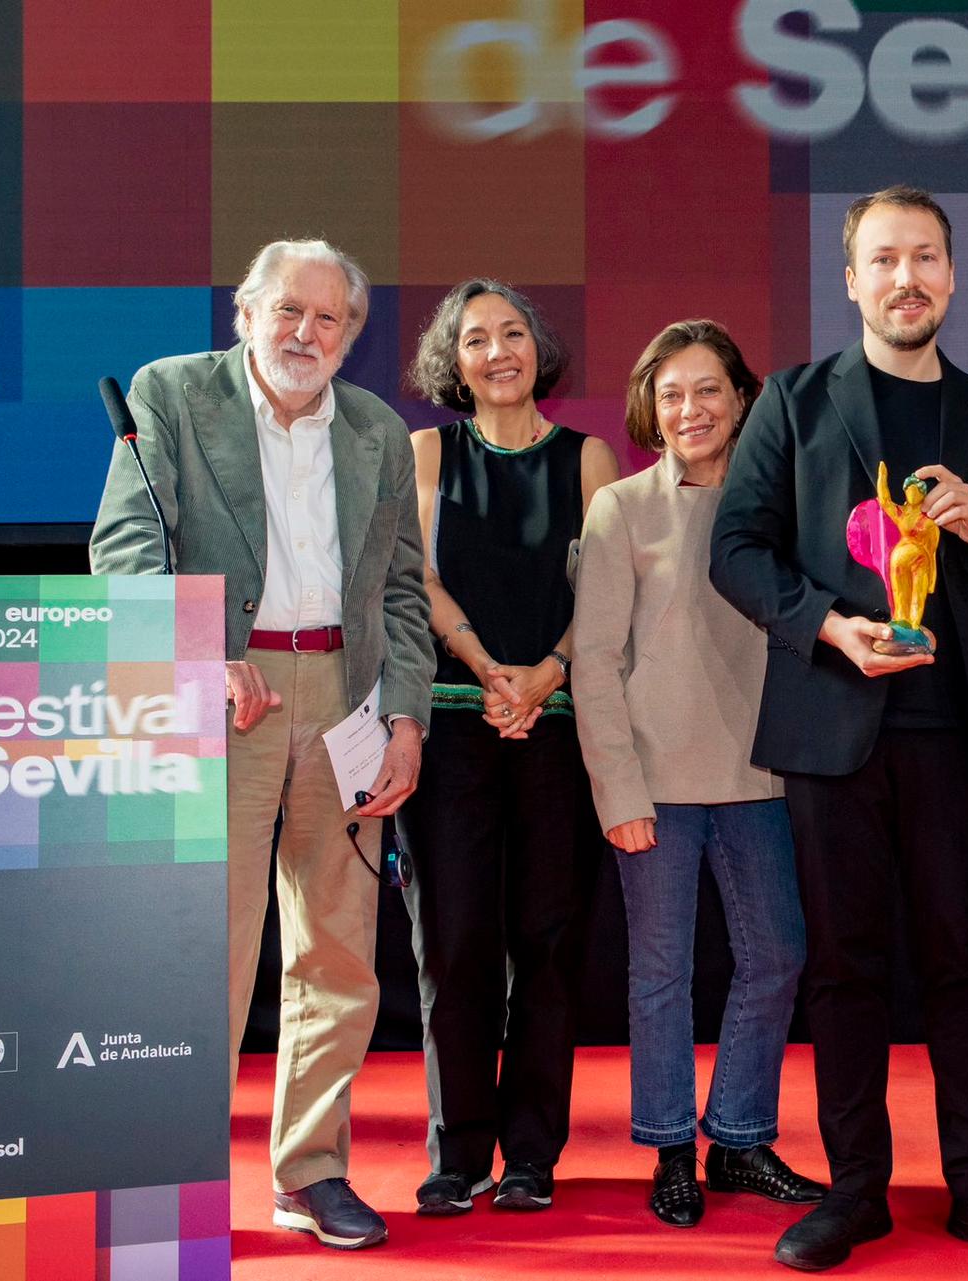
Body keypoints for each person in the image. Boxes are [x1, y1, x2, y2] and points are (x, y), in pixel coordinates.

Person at [710, 186, 968, 1274]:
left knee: (964, 968)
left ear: (952, 278)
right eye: (883, 259)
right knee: (845, 967)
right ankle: (857, 1188)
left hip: (962, 735)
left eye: (925, 259)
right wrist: (828, 628)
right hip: (835, 729)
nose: (905, 278)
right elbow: (736, 549)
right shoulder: (793, 401)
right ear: (852, 279)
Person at [90, 238, 434, 1251]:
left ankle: (312, 1174)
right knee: (207, 949)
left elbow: (404, 590)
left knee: (337, 950)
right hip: (222, 690)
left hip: (345, 696)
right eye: (288, 311)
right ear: (245, 314)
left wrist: (405, 713)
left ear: (352, 338)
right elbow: (124, 545)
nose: (306, 333)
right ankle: (164, 1179)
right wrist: (196, 650)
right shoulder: (172, 395)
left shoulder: (374, 426)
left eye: (330, 320)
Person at [573, 319, 825, 1229]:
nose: (691, 409)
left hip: (764, 776)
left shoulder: (786, 506)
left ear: (743, 397)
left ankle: (741, 1137)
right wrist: (618, 789)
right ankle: (672, 1147)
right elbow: (594, 660)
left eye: (708, 389)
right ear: (650, 407)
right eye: (672, 393)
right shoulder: (622, 509)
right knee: (659, 972)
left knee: (777, 955)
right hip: (655, 784)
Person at [397, 278, 617, 1217]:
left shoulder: (588, 458)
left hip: (560, 731)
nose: (498, 351)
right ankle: (458, 1153)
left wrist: (548, 673)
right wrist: (490, 667)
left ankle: (531, 1154)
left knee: (550, 943)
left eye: (514, 333)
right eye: (476, 338)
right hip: (452, 725)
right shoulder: (424, 453)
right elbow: (417, 577)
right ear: (453, 361)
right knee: (454, 942)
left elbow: (608, 596)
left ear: (540, 348)